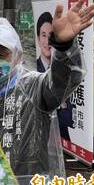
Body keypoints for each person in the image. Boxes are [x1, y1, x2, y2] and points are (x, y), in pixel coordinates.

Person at [0, 0, 94, 185]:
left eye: (0, 54)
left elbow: (64, 80)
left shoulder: (34, 85)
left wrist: (63, 45)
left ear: (15, 55)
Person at [36, 12, 74, 141]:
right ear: (38, 38)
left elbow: (71, 121)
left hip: (61, 140)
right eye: (43, 35)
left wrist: (62, 103)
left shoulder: (66, 70)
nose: (47, 41)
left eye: (51, 36)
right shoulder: (31, 72)